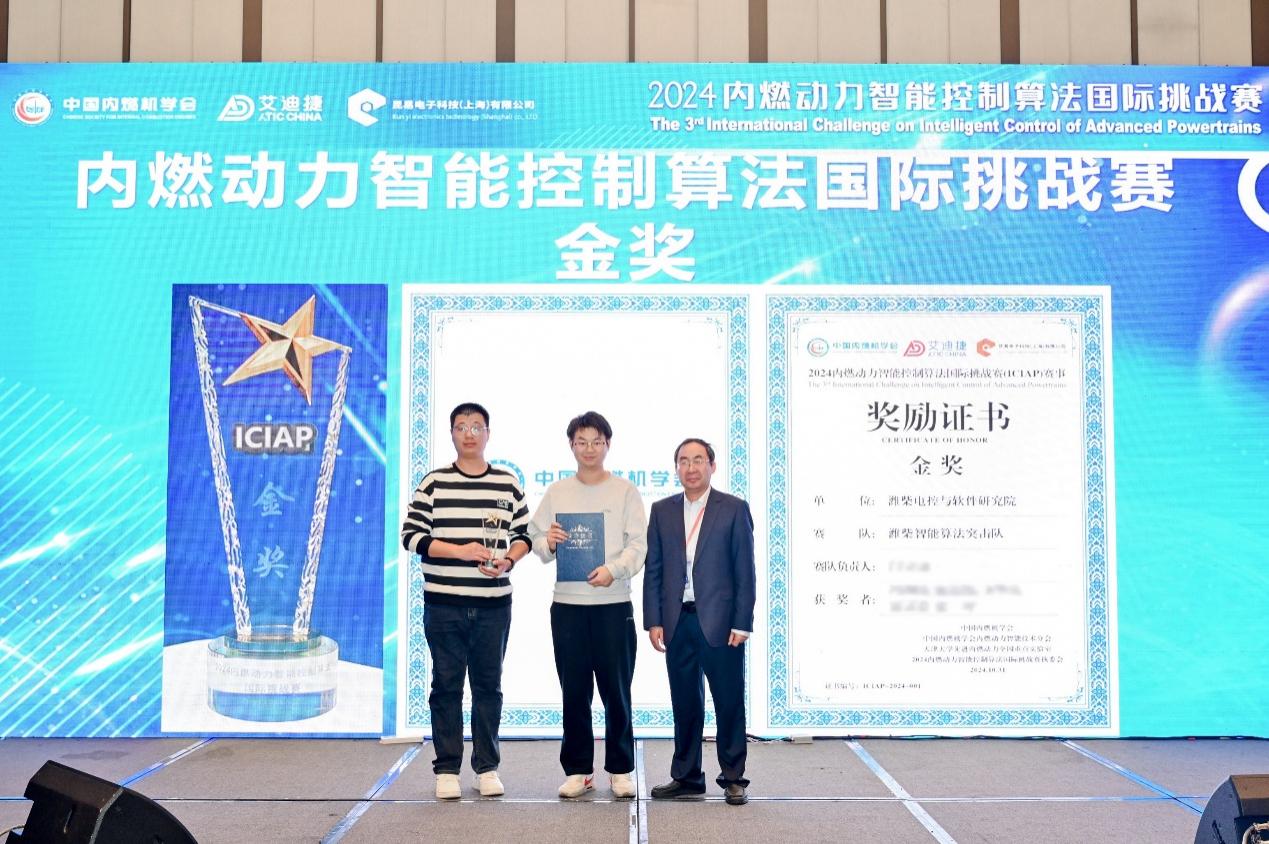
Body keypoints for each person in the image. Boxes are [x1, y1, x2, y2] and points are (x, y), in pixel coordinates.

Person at [400, 402, 530, 800]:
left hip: (494, 604)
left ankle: (487, 768)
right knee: (446, 686)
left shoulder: (507, 483)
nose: (469, 433)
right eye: (461, 427)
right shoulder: (434, 483)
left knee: (489, 687)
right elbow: (412, 537)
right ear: (452, 434)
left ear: (488, 433)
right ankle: (447, 769)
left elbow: (524, 536)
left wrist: (508, 560)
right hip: (444, 604)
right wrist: (462, 551)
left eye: (476, 426)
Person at [530, 411, 647, 800]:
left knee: (617, 691)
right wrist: (549, 542)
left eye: (597, 441)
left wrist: (614, 570)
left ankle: (621, 769)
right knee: (574, 691)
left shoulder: (625, 491)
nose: (589, 449)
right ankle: (578, 770)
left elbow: (638, 544)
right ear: (571, 446)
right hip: (568, 606)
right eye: (582, 442)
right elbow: (536, 538)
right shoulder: (557, 492)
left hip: (613, 605)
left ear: (608, 444)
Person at [643, 437, 756, 806]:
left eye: (697, 460)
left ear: (712, 466)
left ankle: (733, 777)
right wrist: (654, 619)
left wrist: (742, 622)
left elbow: (745, 571)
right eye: (683, 461)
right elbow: (654, 569)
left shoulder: (733, 509)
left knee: (728, 701)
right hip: (677, 622)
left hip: (721, 623)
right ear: (676, 467)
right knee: (685, 703)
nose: (690, 468)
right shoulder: (662, 510)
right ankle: (687, 776)